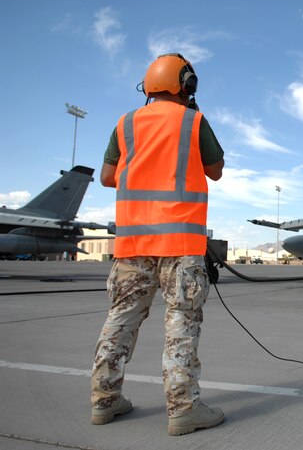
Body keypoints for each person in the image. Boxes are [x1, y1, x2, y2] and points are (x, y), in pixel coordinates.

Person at [90, 53, 225, 436]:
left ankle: (104, 400)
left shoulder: (126, 124)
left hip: (132, 244)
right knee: (181, 321)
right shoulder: (193, 121)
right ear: (187, 85)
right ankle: (183, 409)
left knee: (120, 320)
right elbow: (215, 171)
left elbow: (107, 177)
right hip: (180, 244)